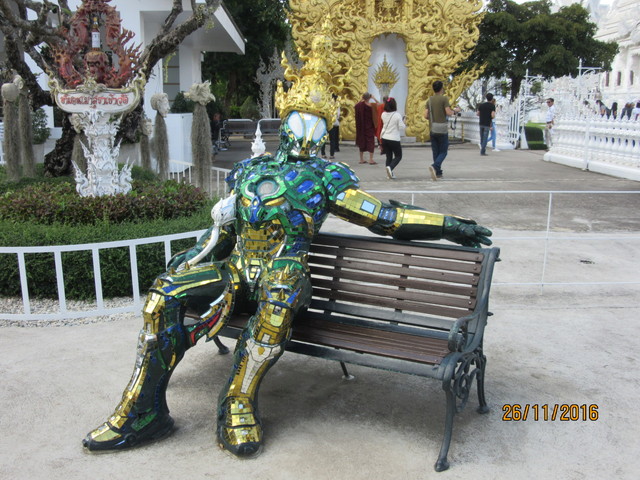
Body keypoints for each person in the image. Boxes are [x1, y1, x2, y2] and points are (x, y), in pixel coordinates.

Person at [81, 29, 493, 459]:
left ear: (325, 127)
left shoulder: (328, 177)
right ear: (286, 119)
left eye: (315, 122)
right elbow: (225, 231)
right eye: (299, 119)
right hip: (237, 271)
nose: (306, 131)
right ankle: (142, 410)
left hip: (287, 275)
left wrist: (449, 224)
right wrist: (194, 256)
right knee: (162, 295)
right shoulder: (251, 170)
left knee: (279, 293)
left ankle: (238, 401)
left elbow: (386, 219)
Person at [424, 80, 459, 180]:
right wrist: (455, 111)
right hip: (442, 129)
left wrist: (432, 118)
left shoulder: (429, 100)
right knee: (443, 151)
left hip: (432, 128)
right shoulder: (444, 99)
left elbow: (425, 115)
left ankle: (438, 172)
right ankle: (435, 166)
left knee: (436, 151)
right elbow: (448, 112)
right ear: (441, 88)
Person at [380, 97, 406, 179]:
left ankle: (389, 174)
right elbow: (401, 127)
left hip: (385, 137)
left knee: (389, 156)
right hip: (394, 138)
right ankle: (390, 167)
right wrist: (404, 122)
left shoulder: (383, 114)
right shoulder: (397, 115)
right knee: (398, 156)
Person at [355, 92, 378, 164]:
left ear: (363, 97)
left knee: (362, 141)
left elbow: (355, 106)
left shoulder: (359, 105)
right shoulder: (372, 105)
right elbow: (379, 104)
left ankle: (361, 159)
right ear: (369, 98)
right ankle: (371, 159)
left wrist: (361, 99)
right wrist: (374, 98)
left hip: (362, 127)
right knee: (370, 142)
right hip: (370, 126)